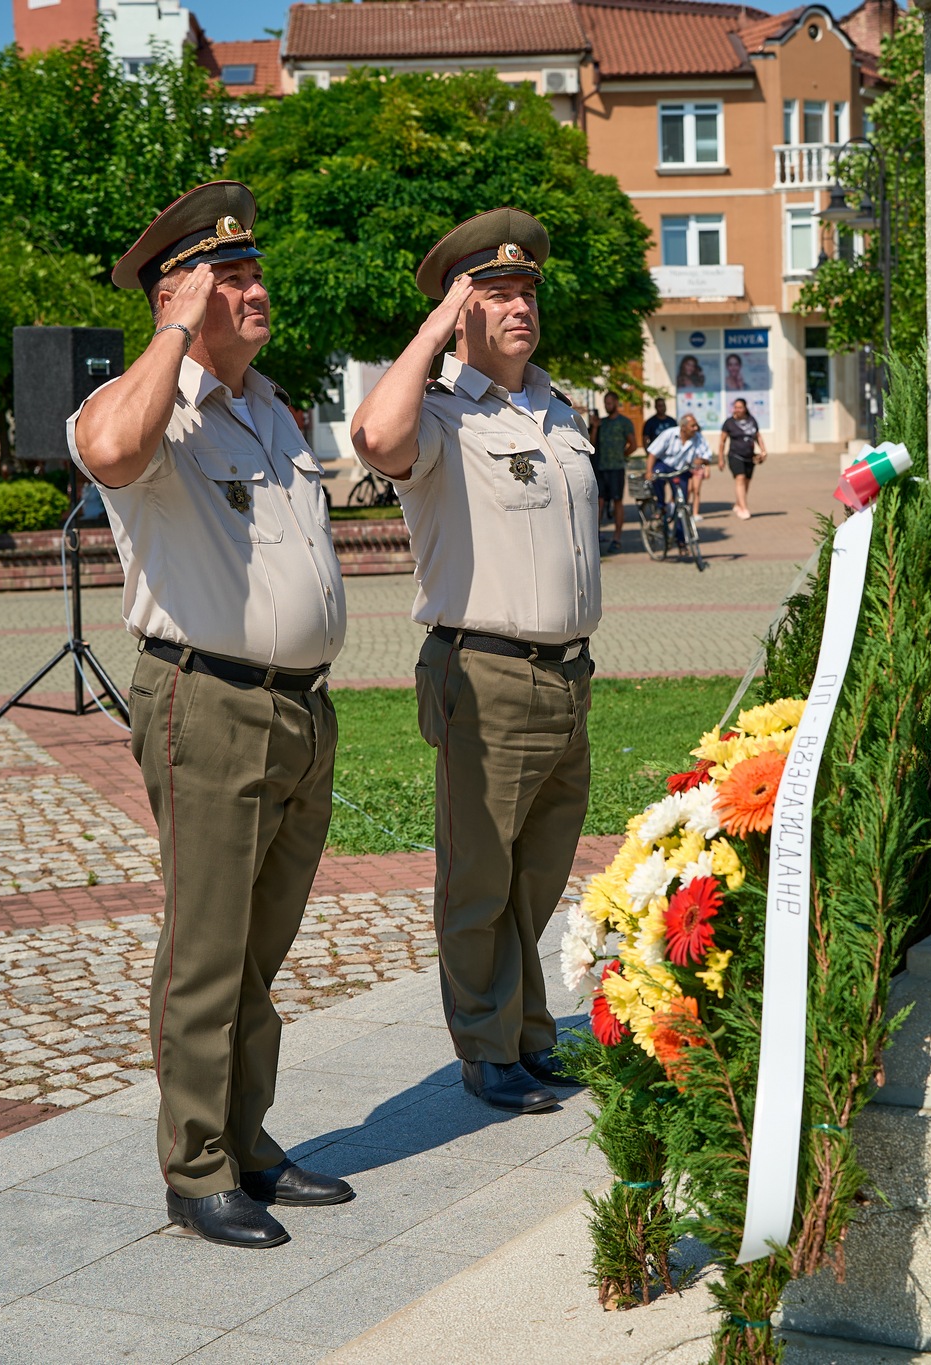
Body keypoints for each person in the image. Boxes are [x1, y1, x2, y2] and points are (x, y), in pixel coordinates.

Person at [68, 180, 354, 1250]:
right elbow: (107, 453)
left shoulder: (268, 407)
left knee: (258, 949)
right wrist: (177, 330)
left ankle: (245, 1141)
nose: (256, 289)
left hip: (298, 710)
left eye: (251, 272)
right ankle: (195, 1173)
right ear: (175, 295)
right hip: (208, 702)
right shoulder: (150, 407)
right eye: (228, 277)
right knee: (204, 949)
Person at [350, 207, 597, 1117]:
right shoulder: (444, 418)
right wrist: (430, 334)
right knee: (480, 873)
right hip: (484, 671)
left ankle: (526, 1035)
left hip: (569, 674)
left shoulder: (560, 410)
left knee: (536, 873)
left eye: (526, 288)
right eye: (493, 293)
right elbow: (374, 440)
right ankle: (486, 1049)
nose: (519, 304)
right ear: (461, 313)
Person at [645, 413, 710, 547]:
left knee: (682, 504)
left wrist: (702, 460)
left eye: (696, 425)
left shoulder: (697, 438)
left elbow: (707, 455)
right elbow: (653, 453)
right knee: (657, 476)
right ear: (683, 427)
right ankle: (661, 506)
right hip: (665, 465)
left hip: (682, 470)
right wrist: (649, 471)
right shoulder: (669, 434)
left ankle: (681, 540)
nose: (695, 428)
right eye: (692, 426)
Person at [592, 392, 637, 551]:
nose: (607, 406)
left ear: (616, 402)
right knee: (599, 501)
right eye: (605, 403)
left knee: (617, 501)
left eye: (610, 403)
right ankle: (595, 535)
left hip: (616, 469)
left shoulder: (624, 422)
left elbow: (633, 444)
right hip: (601, 468)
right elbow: (591, 444)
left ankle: (616, 537)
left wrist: (622, 455)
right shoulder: (601, 423)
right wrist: (595, 427)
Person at [720, 398, 766, 520]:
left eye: (740, 407)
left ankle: (738, 503)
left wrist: (763, 450)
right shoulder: (729, 423)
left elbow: (757, 436)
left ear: (745, 408)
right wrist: (721, 458)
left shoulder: (752, 420)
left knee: (746, 482)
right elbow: (722, 441)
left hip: (749, 456)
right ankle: (744, 508)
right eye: (736, 407)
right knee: (740, 478)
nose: (738, 410)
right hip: (735, 455)